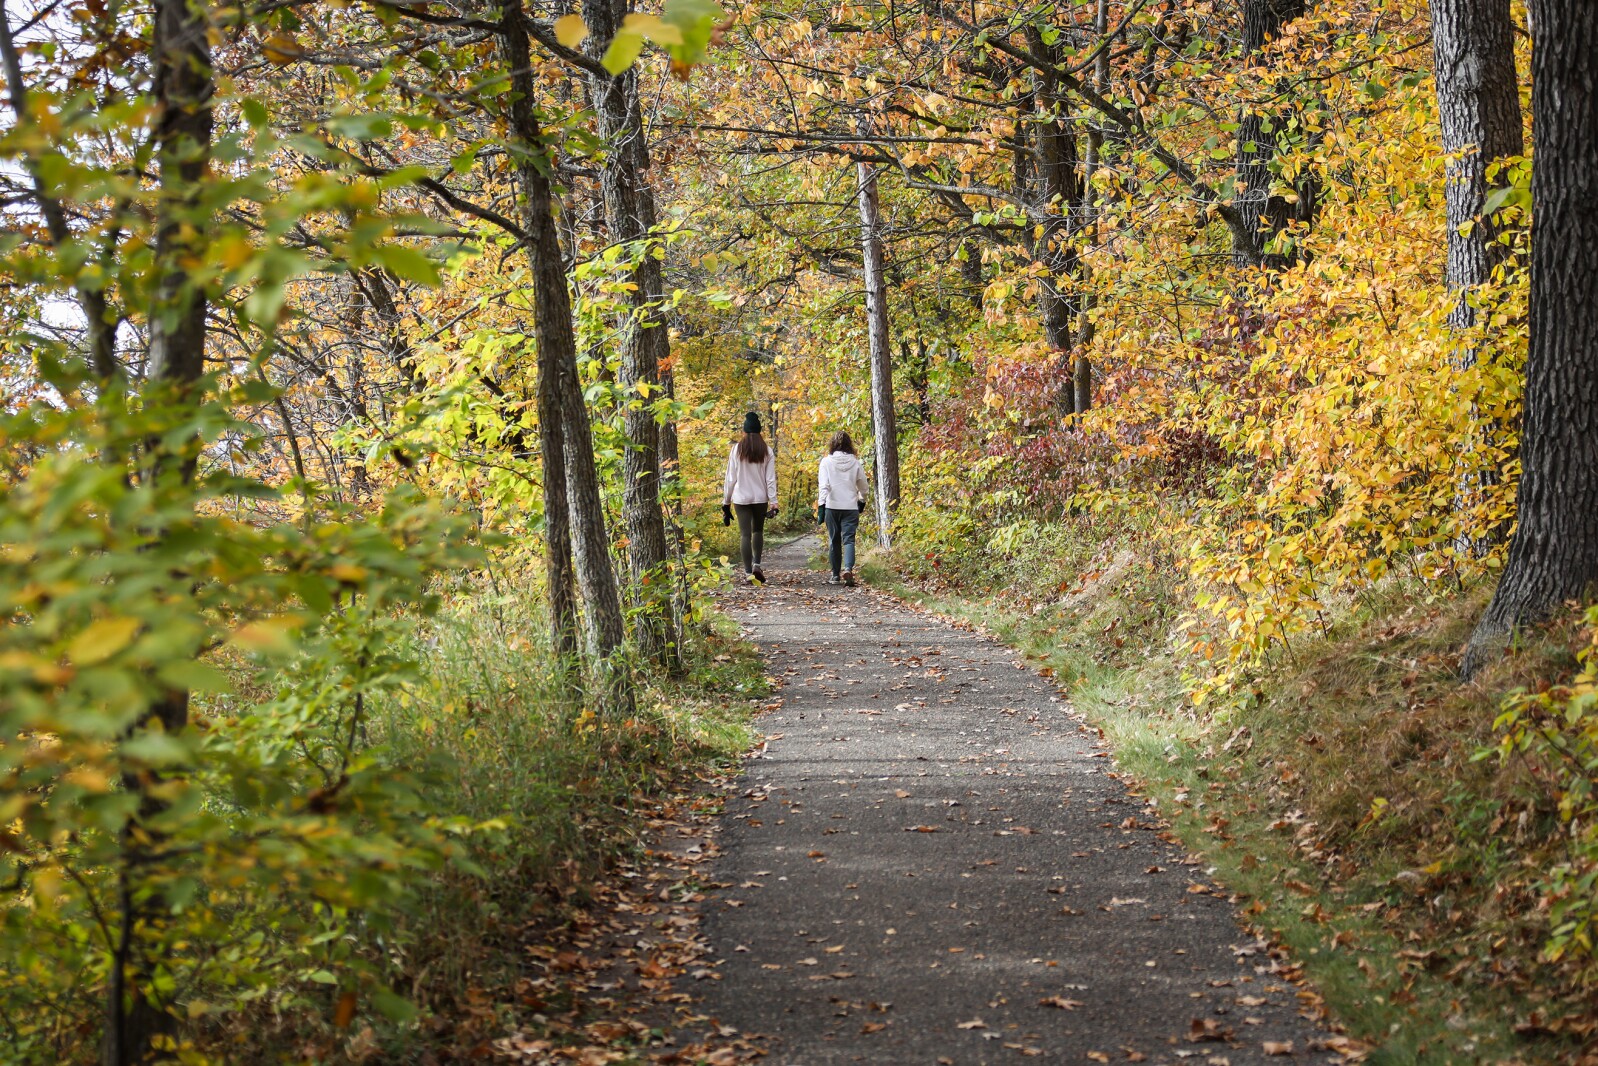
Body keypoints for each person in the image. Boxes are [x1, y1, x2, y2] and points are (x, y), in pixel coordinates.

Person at [722, 411, 779, 584]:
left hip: (741, 498)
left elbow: (730, 478)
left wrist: (726, 502)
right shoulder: (767, 451)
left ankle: (748, 574)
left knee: (744, 535)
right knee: (758, 531)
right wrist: (774, 501)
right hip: (760, 497)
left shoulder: (737, 450)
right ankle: (757, 565)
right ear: (760, 431)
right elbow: (770, 479)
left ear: (744, 431)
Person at [815, 430, 869, 587]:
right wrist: (862, 500)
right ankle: (848, 569)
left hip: (832, 506)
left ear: (832, 445)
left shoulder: (826, 462)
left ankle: (835, 575)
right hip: (850, 507)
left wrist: (821, 505)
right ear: (849, 445)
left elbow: (824, 486)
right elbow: (864, 486)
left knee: (834, 540)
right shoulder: (856, 463)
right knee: (849, 540)